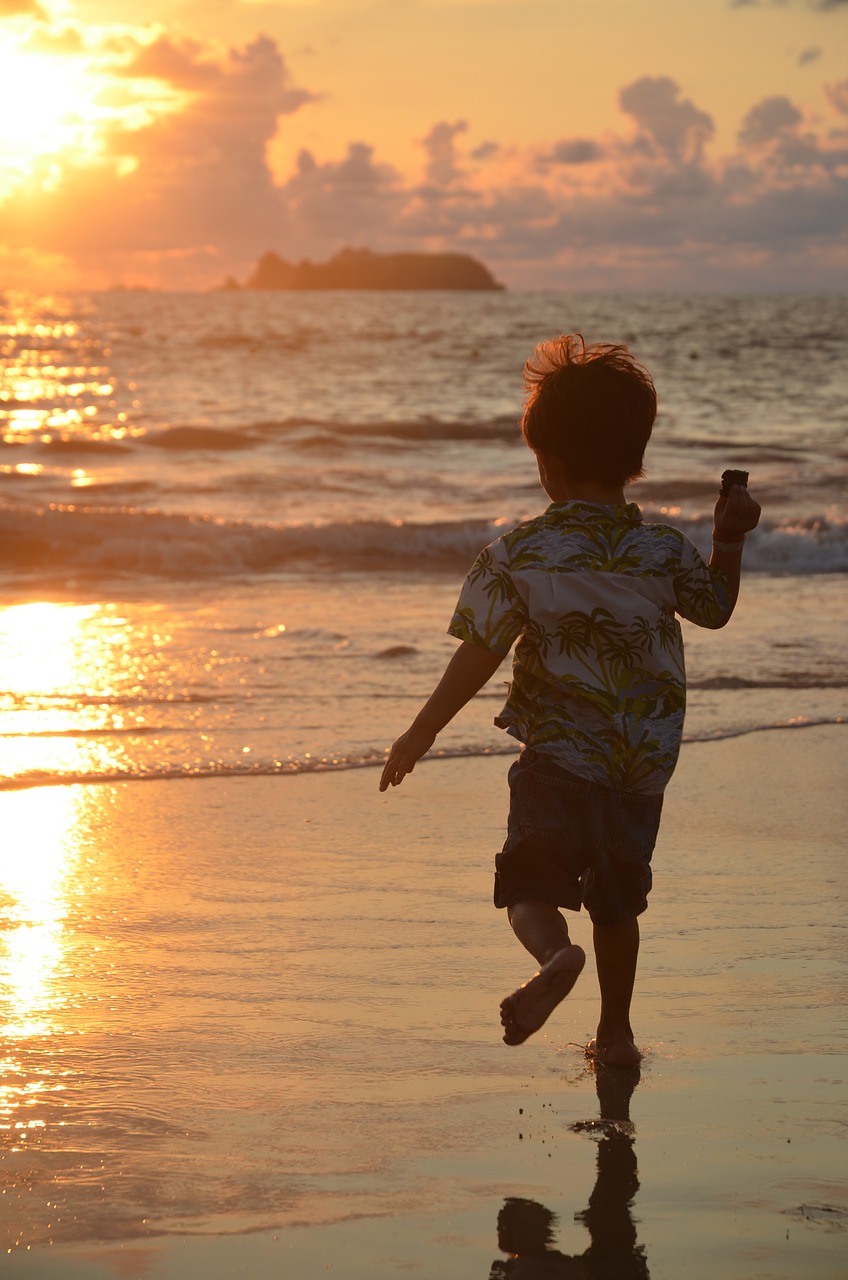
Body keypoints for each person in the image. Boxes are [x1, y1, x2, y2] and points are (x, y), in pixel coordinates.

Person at [379, 334, 761, 1067]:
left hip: (556, 758)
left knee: (529, 882)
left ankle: (554, 958)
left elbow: (480, 654)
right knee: (618, 904)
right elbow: (714, 609)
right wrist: (728, 539)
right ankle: (615, 1034)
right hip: (640, 763)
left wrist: (420, 733)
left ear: (546, 463)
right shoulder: (662, 549)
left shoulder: (517, 554)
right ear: (633, 461)